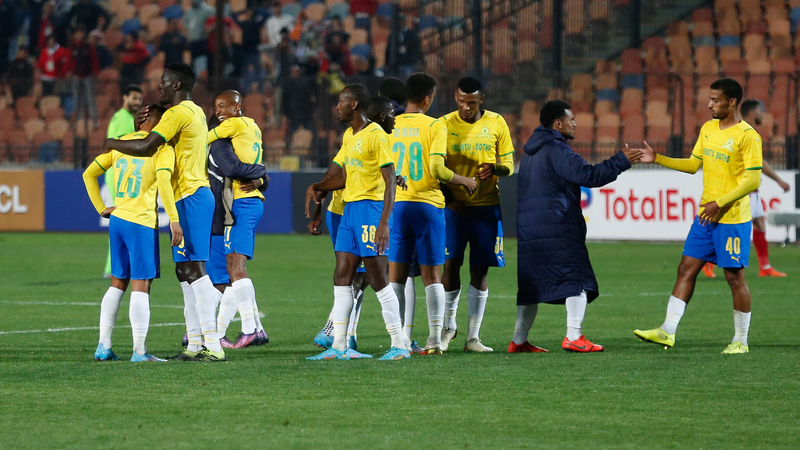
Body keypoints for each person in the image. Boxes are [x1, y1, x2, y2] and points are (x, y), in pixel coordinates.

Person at [103, 63, 223, 362]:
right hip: (189, 195)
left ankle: (214, 344)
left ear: (177, 85)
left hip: (192, 195)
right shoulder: (194, 111)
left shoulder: (178, 113)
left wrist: (112, 143)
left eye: (164, 81)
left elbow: (147, 146)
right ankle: (195, 343)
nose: (160, 86)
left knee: (195, 270)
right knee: (183, 272)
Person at [634, 78, 762, 355]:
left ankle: (741, 340)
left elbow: (752, 181)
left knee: (734, 277)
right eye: (709, 99)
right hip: (706, 215)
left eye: (715, 100)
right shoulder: (708, 129)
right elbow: (693, 165)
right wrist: (658, 158)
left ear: (731, 102)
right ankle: (667, 331)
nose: (709, 104)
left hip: (733, 218)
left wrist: (721, 202)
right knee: (686, 268)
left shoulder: (748, 136)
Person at [512, 100, 642, 353]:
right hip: (557, 226)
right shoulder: (557, 150)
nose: (575, 124)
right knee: (576, 277)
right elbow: (589, 176)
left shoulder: (530, 153)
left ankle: (518, 340)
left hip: (530, 230)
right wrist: (621, 161)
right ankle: (574, 336)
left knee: (532, 285)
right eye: (571, 120)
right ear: (558, 124)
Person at [305, 85, 410, 361]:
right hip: (350, 210)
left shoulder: (376, 135)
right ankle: (339, 346)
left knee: (377, 279)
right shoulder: (350, 135)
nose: (336, 107)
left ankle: (400, 344)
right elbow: (347, 176)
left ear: (354, 105)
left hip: (370, 211)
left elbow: (390, 181)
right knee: (342, 277)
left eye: (341, 102)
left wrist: (384, 223)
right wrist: (319, 187)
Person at [82, 104, 182, 362]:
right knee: (141, 284)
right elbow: (162, 181)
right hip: (141, 222)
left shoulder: (121, 143)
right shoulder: (161, 148)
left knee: (118, 283)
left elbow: (89, 174)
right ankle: (139, 351)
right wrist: (173, 219)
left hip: (118, 220)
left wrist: (102, 208)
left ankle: (103, 346)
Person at [388, 73, 478, 355]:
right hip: (427, 205)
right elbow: (438, 170)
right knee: (432, 277)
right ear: (428, 98)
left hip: (397, 205)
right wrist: (464, 180)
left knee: (397, 277)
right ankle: (434, 340)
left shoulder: (390, 124)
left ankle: (400, 339)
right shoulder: (435, 126)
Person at [439, 77, 515, 353]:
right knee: (450, 265)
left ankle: (473, 337)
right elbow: (435, 167)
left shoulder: (497, 123)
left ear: (481, 100)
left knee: (480, 270)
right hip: (454, 208)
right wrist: (449, 200)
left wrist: (494, 169)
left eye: (471, 102)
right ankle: (448, 327)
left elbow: (508, 165)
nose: (466, 107)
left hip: (486, 206)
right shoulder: (444, 124)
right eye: (461, 101)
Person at [702, 98, 790, 278]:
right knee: (728, 228)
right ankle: (707, 262)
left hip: (751, 191)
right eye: (761, 110)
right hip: (740, 190)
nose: (763, 114)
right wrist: (779, 180)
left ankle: (765, 267)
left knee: (759, 222)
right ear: (752, 112)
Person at [207, 90, 268, 348]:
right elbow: (251, 161)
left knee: (235, 269)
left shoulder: (228, 129)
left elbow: (205, 138)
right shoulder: (252, 127)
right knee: (233, 269)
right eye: (216, 107)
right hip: (244, 202)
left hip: (240, 204)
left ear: (237, 106)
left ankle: (248, 328)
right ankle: (224, 331)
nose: (220, 111)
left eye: (223, 106)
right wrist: (262, 174)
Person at [102, 85, 143, 278]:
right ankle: (113, 267)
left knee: (122, 218)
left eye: (139, 99)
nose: (137, 102)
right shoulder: (122, 118)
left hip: (124, 174)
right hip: (118, 174)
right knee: (121, 217)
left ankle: (115, 266)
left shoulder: (128, 118)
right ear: (124, 97)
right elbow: (117, 145)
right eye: (134, 98)